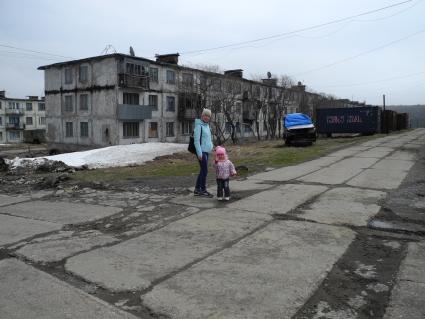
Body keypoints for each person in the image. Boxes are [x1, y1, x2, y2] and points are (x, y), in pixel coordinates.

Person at [193, 108, 214, 197]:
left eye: (208, 116)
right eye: (205, 115)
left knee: (203, 170)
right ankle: (203, 190)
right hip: (201, 152)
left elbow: (208, 139)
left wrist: (212, 146)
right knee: (205, 171)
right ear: (202, 116)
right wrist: (199, 153)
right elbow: (196, 141)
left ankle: (197, 189)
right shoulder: (199, 126)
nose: (207, 117)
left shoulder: (207, 126)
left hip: (207, 151)